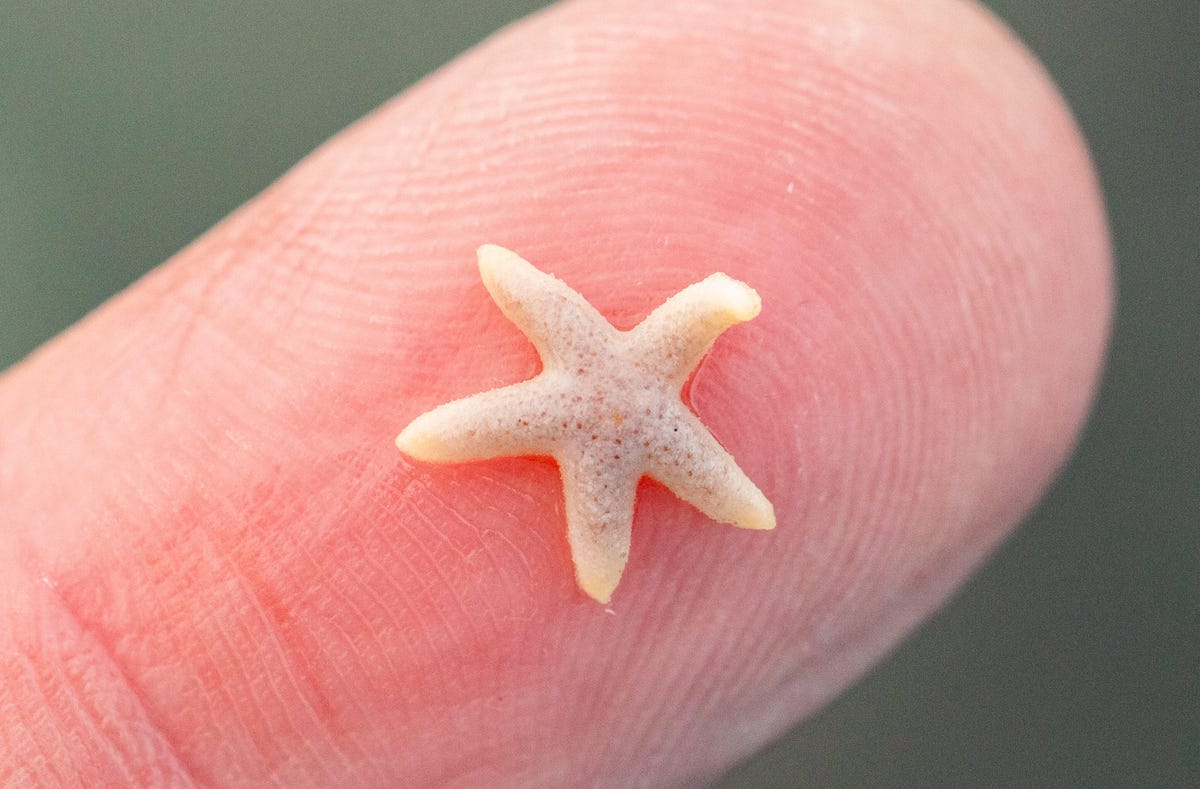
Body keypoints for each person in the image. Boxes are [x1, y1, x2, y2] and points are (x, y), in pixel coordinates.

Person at [0, 0, 1111, 785]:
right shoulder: (584, 381)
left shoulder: (632, 386)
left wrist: (718, 310)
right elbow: (542, 336)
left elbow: (669, 337)